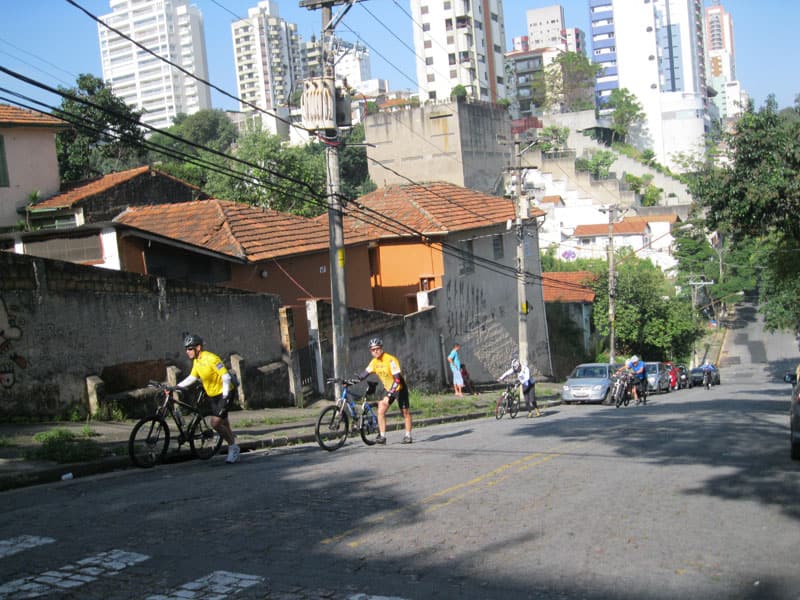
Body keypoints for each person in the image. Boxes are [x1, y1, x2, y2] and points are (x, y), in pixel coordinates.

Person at [175, 334, 240, 463]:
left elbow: (226, 376)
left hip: (225, 392)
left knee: (215, 423)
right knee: (224, 421)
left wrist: (225, 396)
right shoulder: (197, 361)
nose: (187, 351)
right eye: (186, 349)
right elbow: (193, 377)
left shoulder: (212, 358)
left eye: (190, 348)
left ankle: (233, 447)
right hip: (212, 395)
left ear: (198, 348)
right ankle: (232, 443)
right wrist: (176, 386)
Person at [358, 337, 412, 444]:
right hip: (388, 388)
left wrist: (389, 395)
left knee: (405, 412)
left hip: (399, 388)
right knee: (381, 410)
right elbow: (363, 375)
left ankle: (408, 435)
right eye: (373, 350)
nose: (376, 351)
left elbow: (397, 380)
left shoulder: (390, 360)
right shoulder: (374, 362)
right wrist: (349, 381)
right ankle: (382, 437)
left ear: (381, 348)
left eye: (377, 348)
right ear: (370, 351)